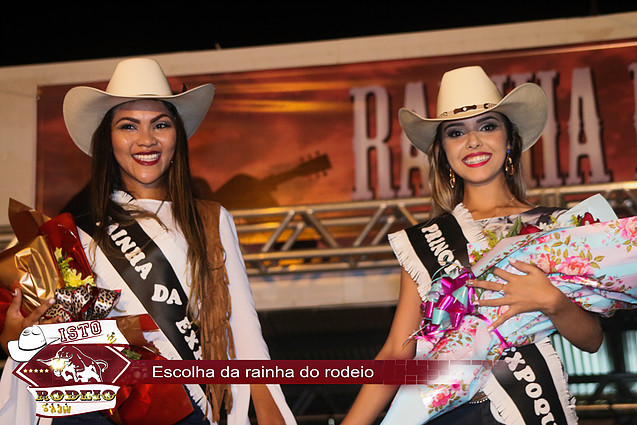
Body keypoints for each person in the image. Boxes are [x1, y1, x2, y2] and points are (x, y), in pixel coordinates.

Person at [0, 58, 297, 425]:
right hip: (94, 407)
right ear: (108, 138)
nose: (146, 140)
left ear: (177, 136)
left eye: (160, 124)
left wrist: (272, 414)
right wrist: (15, 340)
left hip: (188, 407)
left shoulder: (210, 220)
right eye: (128, 126)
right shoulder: (72, 232)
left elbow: (245, 333)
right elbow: (45, 339)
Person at [341, 66, 602, 424]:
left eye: (488, 126)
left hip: (527, 408)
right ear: (444, 151)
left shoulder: (554, 227)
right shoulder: (424, 242)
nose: (473, 141)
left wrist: (552, 301)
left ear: (510, 140)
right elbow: (396, 353)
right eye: (456, 132)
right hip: (446, 414)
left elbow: (592, 340)